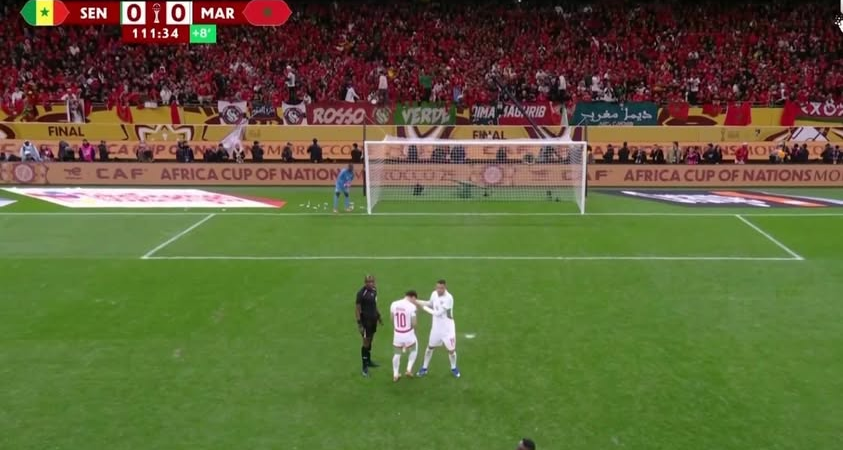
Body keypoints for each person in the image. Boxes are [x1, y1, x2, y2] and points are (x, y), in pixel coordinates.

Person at [413, 279, 460, 378]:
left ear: (445, 288)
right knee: (430, 347)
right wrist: (416, 301)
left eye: (441, 288)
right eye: (437, 287)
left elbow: (438, 313)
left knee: (451, 351)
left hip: (448, 329)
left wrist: (422, 307)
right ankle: (424, 368)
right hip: (436, 329)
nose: (439, 290)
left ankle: (454, 368)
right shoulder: (434, 294)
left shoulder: (449, 298)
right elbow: (430, 303)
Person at [355, 275, 382, 377]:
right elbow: (357, 309)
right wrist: (359, 324)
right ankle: (364, 367)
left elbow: (374, 304)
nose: (370, 284)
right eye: (368, 282)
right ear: (365, 283)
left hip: (373, 320)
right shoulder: (361, 293)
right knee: (366, 342)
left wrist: (378, 316)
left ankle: (369, 361)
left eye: (372, 282)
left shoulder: (374, 290)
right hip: (365, 322)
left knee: (370, 340)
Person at [390, 290, 419, 382]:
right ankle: (409, 369)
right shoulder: (412, 307)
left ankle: (395, 374)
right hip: (408, 333)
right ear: (413, 297)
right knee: (414, 349)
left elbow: (392, 319)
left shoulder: (394, 304)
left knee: (397, 354)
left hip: (397, 333)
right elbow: (414, 323)